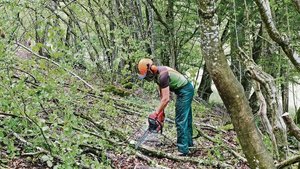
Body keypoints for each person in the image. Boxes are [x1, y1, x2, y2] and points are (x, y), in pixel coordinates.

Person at [137, 58, 194, 155]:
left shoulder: (163, 75)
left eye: (147, 75)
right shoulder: (157, 76)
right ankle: (189, 145)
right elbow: (162, 96)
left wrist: (155, 113)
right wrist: (160, 113)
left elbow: (166, 99)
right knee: (186, 118)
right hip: (184, 90)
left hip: (185, 91)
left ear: (151, 69)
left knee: (181, 119)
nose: (147, 77)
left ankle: (183, 150)